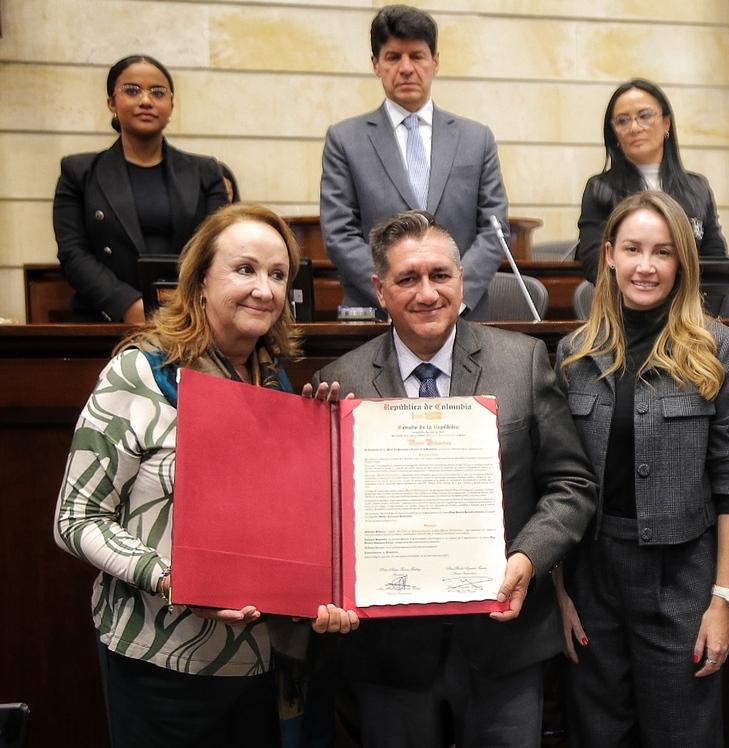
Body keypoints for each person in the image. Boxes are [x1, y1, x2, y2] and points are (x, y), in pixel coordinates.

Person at [54, 203, 357, 748]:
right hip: (160, 663)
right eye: (244, 269)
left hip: (258, 667)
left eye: (277, 274)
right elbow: (75, 519)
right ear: (197, 283)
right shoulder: (142, 374)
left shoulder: (277, 387)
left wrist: (319, 449)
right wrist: (173, 577)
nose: (263, 289)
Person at [309, 210, 597, 748]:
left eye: (440, 275)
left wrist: (528, 558)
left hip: (503, 644)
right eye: (408, 279)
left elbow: (571, 485)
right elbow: (322, 514)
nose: (427, 293)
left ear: (461, 280)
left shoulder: (523, 360)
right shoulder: (340, 383)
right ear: (379, 289)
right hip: (388, 653)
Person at [553, 191, 729, 746]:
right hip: (592, 578)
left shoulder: (718, 350)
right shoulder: (575, 352)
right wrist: (560, 592)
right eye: (633, 249)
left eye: (663, 252)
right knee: (597, 734)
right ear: (610, 258)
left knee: (682, 735)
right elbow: (555, 481)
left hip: (682, 580)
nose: (646, 265)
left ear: (682, 264)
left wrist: (722, 598)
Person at [320, 5, 509, 319]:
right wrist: (397, 291)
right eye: (393, 57)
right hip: (377, 314)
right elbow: (339, 234)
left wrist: (453, 293)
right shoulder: (345, 139)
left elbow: (494, 229)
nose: (406, 68)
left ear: (435, 61)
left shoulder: (477, 139)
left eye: (417, 56)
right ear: (375, 64)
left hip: (462, 316)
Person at [53, 54, 229, 323]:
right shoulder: (78, 172)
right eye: (132, 90)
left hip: (190, 319)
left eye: (158, 92)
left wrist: (181, 308)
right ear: (112, 102)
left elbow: (217, 249)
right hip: (105, 318)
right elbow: (73, 252)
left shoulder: (206, 172)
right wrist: (127, 305)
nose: (146, 100)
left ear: (171, 105)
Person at [576, 79, 727, 283]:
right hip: (628, 304)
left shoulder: (697, 188)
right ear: (614, 134)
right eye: (622, 120)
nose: (634, 127)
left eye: (644, 116)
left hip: (689, 306)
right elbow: (596, 264)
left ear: (666, 123)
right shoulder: (600, 189)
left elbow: (716, 260)